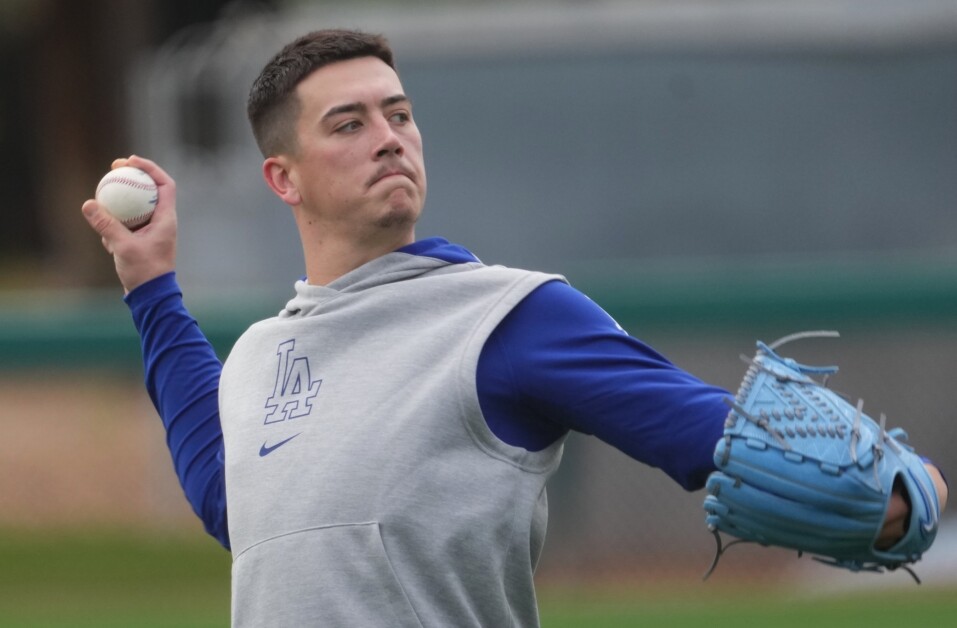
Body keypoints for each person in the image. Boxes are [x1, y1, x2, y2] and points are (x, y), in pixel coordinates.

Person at [81, 29, 948, 627]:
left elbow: (703, 432)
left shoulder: (505, 316)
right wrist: (151, 283)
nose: (389, 138)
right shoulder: (264, 352)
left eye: (399, 113)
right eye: (349, 124)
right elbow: (236, 506)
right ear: (283, 177)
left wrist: (888, 494)